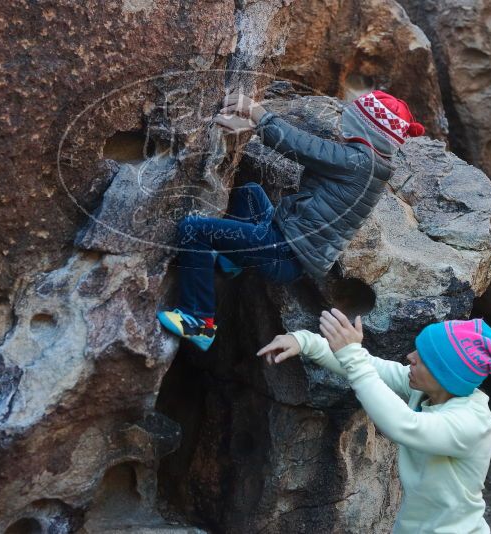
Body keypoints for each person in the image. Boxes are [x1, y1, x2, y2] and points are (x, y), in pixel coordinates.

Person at [157, 90, 425, 351]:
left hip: (283, 251)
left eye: (350, 118)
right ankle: (231, 261)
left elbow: (303, 146)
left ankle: (199, 321)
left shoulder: (359, 161)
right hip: (285, 242)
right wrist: (251, 128)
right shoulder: (371, 164)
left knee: (194, 231)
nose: (342, 120)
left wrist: (258, 115)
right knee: (250, 193)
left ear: (366, 131)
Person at [257, 309, 491, 533]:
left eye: (422, 359)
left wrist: (351, 354)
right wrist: (304, 341)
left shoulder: (470, 423)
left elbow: (403, 425)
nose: (410, 357)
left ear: (446, 376)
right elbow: (370, 366)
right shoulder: (425, 392)